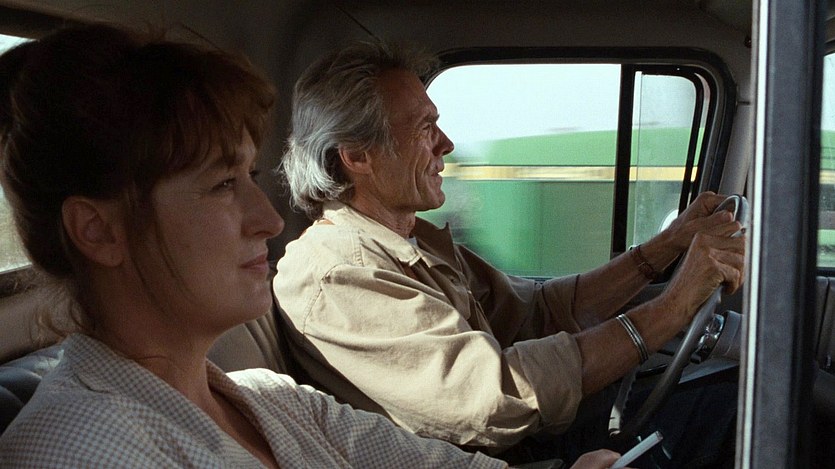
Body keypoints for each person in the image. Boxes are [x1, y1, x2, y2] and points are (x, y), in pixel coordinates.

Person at [0, 24, 626, 469]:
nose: (268, 219)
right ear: (100, 231)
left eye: (249, 175)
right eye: (222, 184)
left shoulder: (271, 401)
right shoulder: (78, 448)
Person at [274, 40, 746, 463]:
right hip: (509, 455)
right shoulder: (337, 275)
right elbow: (490, 400)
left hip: (526, 442)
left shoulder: (412, 244)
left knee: (731, 394)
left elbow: (539, 311)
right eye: (424, 128)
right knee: (737, 414)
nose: (446, 144)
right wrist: (674, 305)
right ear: (357, 156)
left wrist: (667, 245)